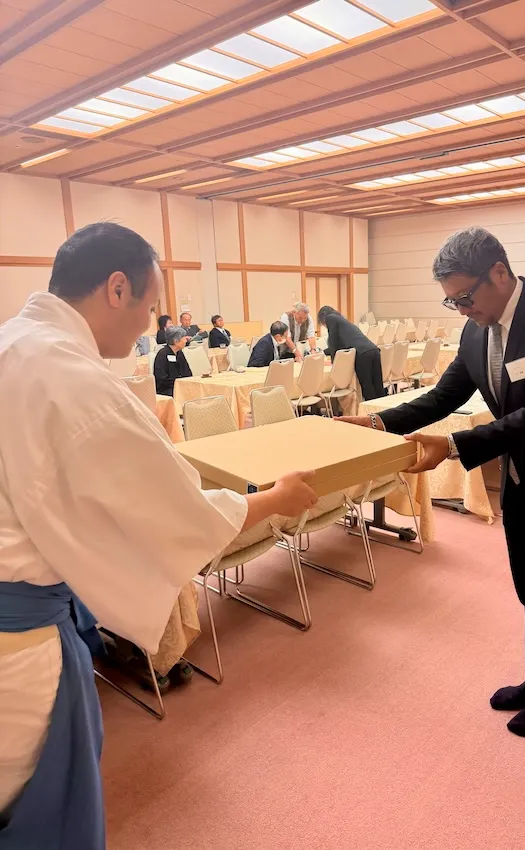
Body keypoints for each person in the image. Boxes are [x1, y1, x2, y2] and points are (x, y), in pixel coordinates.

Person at [0, 221, 317, 849]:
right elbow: (180, 511)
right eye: (150, 307)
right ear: (116, 288)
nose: (151, 324)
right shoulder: (73, 377)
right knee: (32, 808)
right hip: (17, 644)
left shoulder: (14, 342)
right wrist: (274, 500)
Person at [341, 226, 525, 739]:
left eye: (465, 296)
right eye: (452, 302)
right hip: (524, 480)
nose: (462, 309)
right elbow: (441, 396)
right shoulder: (476, 330)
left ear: (500, 272)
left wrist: (452, 447)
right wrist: (377, 423)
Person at [317, 306, 383, 401]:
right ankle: (383, 412)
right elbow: (341, 344)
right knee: (378, 385)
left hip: (362, 354)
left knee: (368, 387)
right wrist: (324, 352)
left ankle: (371, 412)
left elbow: (333, 341)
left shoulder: (330, 318)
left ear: (322, 317)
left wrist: (333, 362)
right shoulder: (342, 321)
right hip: (373, 349)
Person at [153, 326, 192, 397]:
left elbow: (188, 372)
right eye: (184, 338)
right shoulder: (162, 354)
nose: (186, 341)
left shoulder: (179, 353)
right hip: (166, 389)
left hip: (180, 385)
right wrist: (179, 383)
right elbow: (162, 379)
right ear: (176, 341)